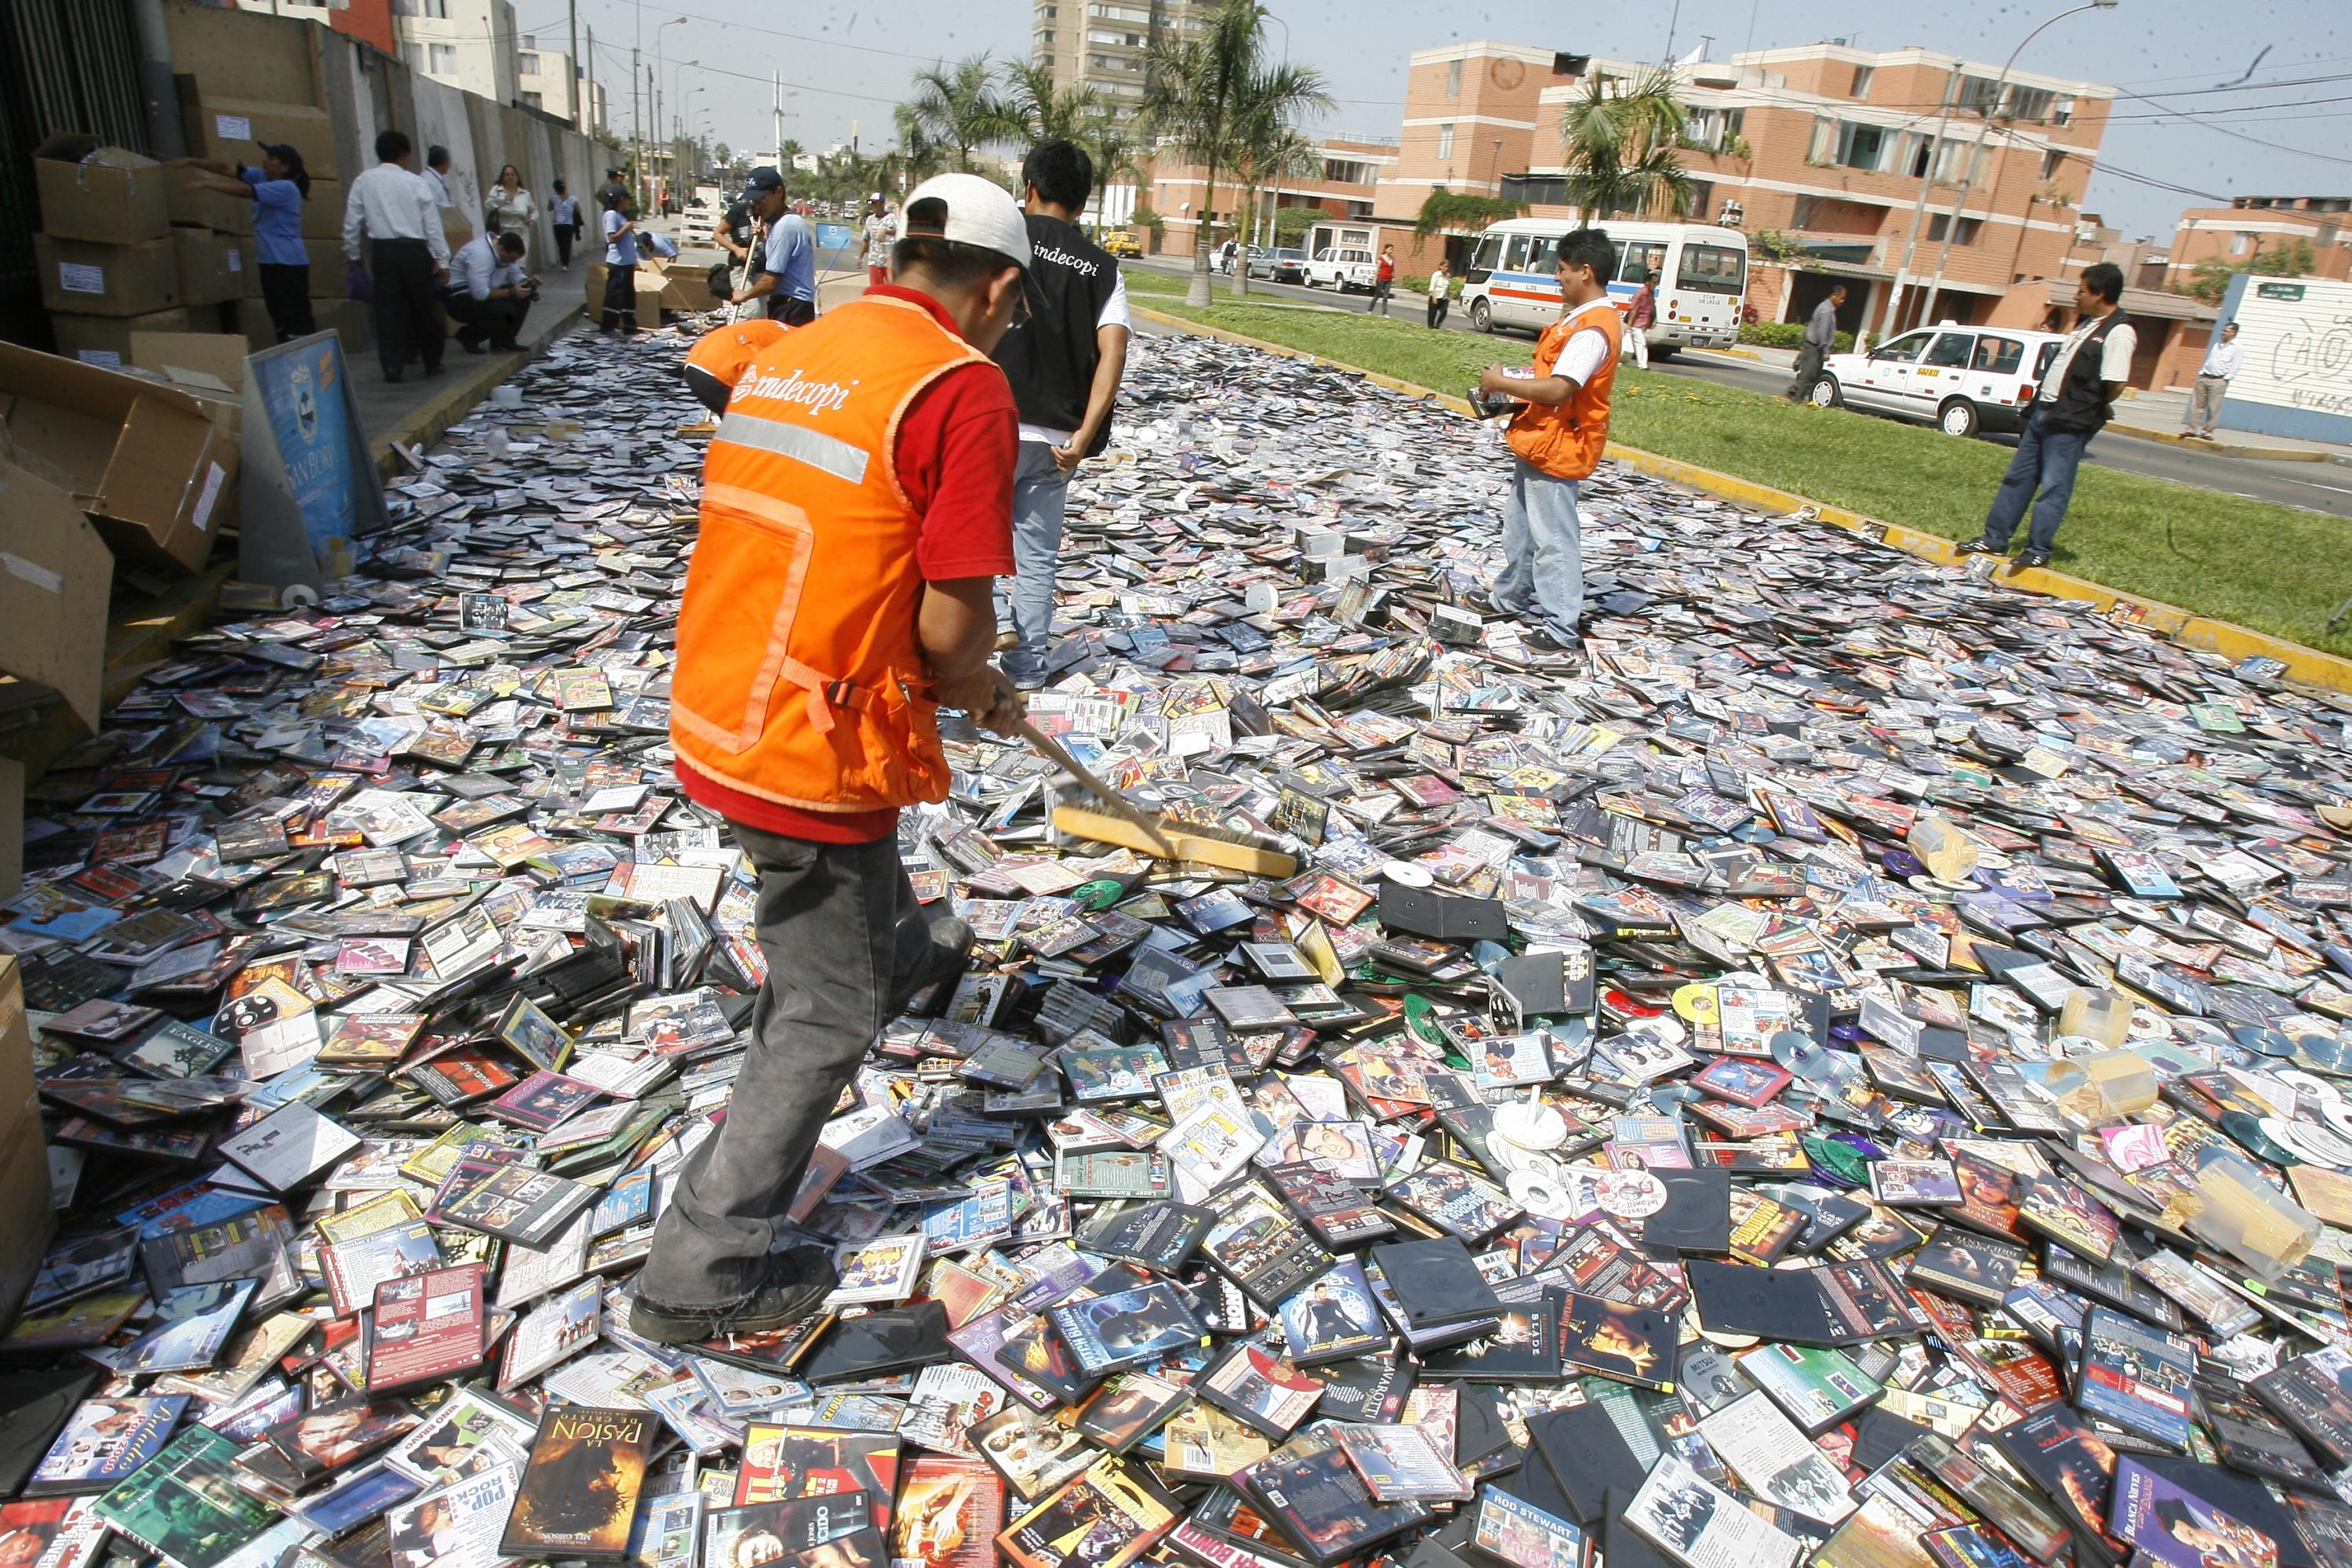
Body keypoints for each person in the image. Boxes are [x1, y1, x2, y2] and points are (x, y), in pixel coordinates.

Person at [632, 172, 1031, 1342]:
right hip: (812, 746)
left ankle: (914, 950)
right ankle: (697, 1277)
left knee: (854, 924)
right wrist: (973, 680)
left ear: (897, 254)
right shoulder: (963, 388)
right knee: (820, 1013)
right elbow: (953, 626)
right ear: (998, 287)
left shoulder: (809, 339)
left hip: (719, 704)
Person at [990, 140, 1131, 691]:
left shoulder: (1001, 239)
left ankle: (979, 638)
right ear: (1083, 201)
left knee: (961, 537)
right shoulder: (1102, 268)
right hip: (1055, 441)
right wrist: (1085, 435)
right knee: (1037, 558)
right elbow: (1113, 352)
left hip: (988, 424)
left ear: (1030, 187)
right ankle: (1025, 672)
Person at [1475, 227, 1623, 651]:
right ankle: (1510, 597)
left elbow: (1561, 388)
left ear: (1586, 272)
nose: (1557, 278)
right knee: (1521, 531)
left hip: (1560, 444)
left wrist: (1501, 381)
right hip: (1542, 437)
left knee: (1554, 538)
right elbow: (1550, 381)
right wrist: (1513, 391)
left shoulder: (1593, 329)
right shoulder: (1581, 320)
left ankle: (1561, 626)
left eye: (1562, 270)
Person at [1960, 263, 2134, 570]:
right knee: (2018, 478)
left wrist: (2086, 406)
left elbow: (2115, 384)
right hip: (2044, 414)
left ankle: (2038, 548)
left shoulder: (2119, 332)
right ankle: (1995, 538)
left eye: (2081, 291)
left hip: (2071, 423)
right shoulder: (2086, 324)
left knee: (2054, 486)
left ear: (2100, 293)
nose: (2076, 297)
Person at [175, 143, 314, 342]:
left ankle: (307, 360)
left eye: (272, 159)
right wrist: (193, 162)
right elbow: (228, 169)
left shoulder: (286, 188)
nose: (265, 161)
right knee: (278, 314)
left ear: (285, 167)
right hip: (270, 260)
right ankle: (288, 360)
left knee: (294, 317)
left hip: (288, 262)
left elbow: (245, 191)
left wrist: (205, 184)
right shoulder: (265, 178)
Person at [343, 129, 448, 383]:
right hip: (414, 250)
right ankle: (432, 362)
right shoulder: (416, 182)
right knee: (422, 307)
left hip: (383, 251)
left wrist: (353, 254)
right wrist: (442, 260)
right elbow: (432, 226)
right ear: (405, 154)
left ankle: (392, 365)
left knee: (388, 311)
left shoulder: (364, 181)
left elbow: (352, 222)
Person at [731, 169, 816, 325]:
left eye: (762, 199)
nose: (757, 207)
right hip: (794, 305)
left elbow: (771, 282)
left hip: (791, 306)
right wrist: (765, 239)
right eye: (754, 202)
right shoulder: (787, 222)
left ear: (778, 192)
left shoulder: (784, 227)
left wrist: (745, 295)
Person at [445, 230, 535, 352]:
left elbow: (515, 274)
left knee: (522, 298)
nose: (513, 262)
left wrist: (527, 283)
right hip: (460, 297)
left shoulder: (504, 251)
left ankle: (504, 341)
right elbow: (480, 294)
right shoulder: (480, 255)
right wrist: (511, 292)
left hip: (484, 291)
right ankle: (468, 336)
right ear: (502, 249)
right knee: (503, 310)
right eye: (511, 259)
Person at [2184, 320, 2241, 441]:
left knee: (2213, 407)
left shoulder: (2237, 348)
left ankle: (2207, 431)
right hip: (2205, 377)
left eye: (2226, 330)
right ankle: (2192, 429)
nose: (2222, 332)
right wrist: (2202, 373)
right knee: (2197, 405)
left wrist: (2226, 378)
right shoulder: (2217, 345)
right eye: (2223, 330)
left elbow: (2235, 365)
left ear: (2233, 332)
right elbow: (2210, 360)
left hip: (2218, 380)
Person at [1788, 283, 1844, 401]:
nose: (1842, 301)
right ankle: (1797, 398)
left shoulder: (1825, 307)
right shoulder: (1826, 310)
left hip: (1811, 347)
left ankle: (1794, 393)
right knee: (1809, 376)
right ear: (1834, 296)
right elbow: (1822, 331)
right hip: (1815, 348)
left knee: (1807, 375)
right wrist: (1825, 349)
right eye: (1841, 298)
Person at [598, 187, 639, 335]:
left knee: (628, 295)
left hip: (627, 262)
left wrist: (635, 261)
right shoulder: (611, 215)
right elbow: (612, 238)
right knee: (615, 294)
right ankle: (608, 325)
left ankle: (629, 325)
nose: (629, 202)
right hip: (618, 262)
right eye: (627, 199)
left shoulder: (620, 215)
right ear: (621, 199)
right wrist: (626, 228)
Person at [485, 164, 535, 243]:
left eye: (513, 175)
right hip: (503, 231)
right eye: (507, 175)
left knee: (521, 255)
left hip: (522, 232)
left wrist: (532, 219)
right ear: (503, 177)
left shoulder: (525, 194)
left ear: (517, 177)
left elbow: (534, 211)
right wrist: (503, 199)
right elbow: (488, 205)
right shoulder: (497, 190)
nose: (510, 177)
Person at [1625, 269, 1657, 370]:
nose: (1655, 285)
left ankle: (1625, 361)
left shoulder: (1651, 293)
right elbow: (1633, 309)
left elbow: (1652, 308)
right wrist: (1629, 325)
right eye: (1654, 282)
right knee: (1641, 343)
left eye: (1657, 282)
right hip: (1636, 323)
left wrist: (1653, 320)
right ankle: (1642, 365)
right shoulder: (1641, 293)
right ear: (1647, 282)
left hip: (1642, 323)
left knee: (1637, 344)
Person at [862, 193, 892, 289]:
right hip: (874, 260)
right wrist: (860, 257)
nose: (872, 205)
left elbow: (900, 232)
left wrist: (887, 231)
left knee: (890, 290)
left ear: (882, 203)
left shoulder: (892, 218)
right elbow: (866, 238)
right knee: (875, 289)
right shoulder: (870, 220)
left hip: (889, 261)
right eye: (871, 203)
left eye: (875, 203)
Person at [549, 179, 579, 272]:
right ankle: (566, 264)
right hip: (569, 225)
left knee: (561, 245)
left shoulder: (553, 198)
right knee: (567, 244)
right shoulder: (573, 199)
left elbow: (549, 208)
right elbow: (579, 211)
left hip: (557, 224)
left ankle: (564, 263)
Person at [423, 145, 456, 211]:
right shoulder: (428, 181)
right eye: (448, 162)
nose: (449, 166)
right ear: (443, 163)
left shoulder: (434, 177)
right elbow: (431, 208)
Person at [1367, 245, 1396, 314]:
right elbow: (1378, 269)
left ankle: (1384, 313)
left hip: (1388, 280)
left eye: (1392, 250)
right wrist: (1375, 279)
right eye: (1390, 249)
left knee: (1385, 297)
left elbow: (1392, 269)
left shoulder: (1392, 259)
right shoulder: (1381, 258)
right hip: (1381, 279)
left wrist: (1393, 277)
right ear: (1386, 250)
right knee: (1377, 295)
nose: (1391, 251)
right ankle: (1370, 310)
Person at [1425, 260, 1450, 328]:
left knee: (1444, 311)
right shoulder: (1436, 275)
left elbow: (1448, 287)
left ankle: (1438, 324)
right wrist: (1434, 297)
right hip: (1435, 296)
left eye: (1447, 267)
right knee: (1432, 313)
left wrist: (1449, 295)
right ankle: (1431, 326)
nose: (1446, 268)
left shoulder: (1448, 276)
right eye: (1445, 266)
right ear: (1440, 266)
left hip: (1444, 297)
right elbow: (1432, 287)